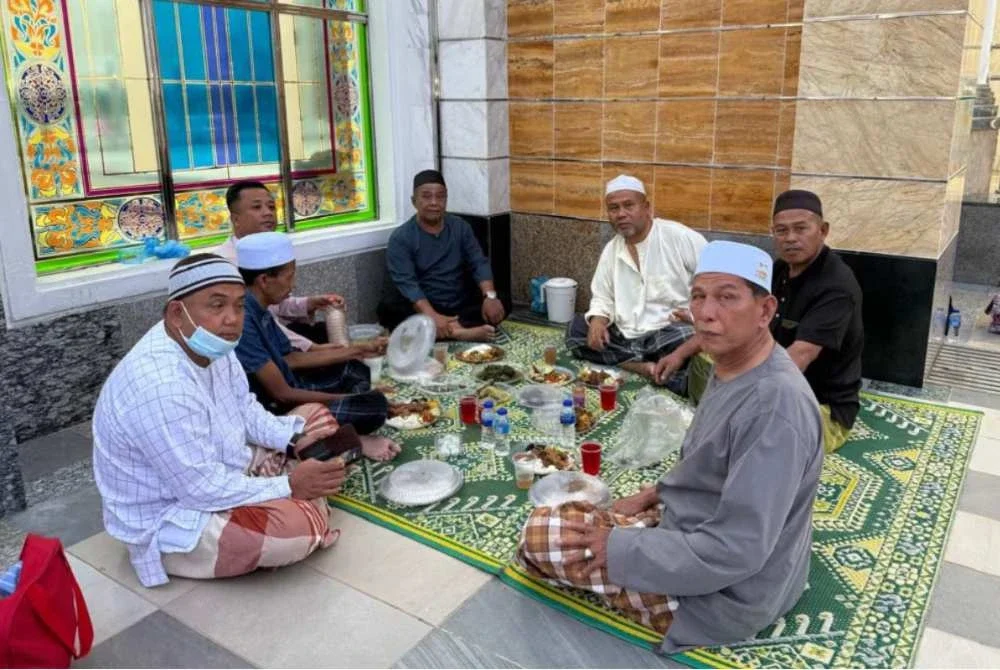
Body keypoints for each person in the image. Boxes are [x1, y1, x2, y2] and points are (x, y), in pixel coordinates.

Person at [518, 241, 824, 654]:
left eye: (727, 297)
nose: (706, 313)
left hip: (727, 593)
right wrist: (652, 495)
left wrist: (619, 547)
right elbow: (707, 464)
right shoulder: (735, 364)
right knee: (571, 511)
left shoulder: (775, 408)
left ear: (766, 311)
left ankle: (641, 586)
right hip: (694, 529)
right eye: (699, 296)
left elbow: (738, 548)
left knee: (538, 536)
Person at [92, 253, 399, 588]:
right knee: (298, 530)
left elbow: (247, 409)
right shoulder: (161, 385)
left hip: (229, 463)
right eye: (217, 305)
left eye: (239, 306)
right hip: (176, 514)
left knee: (315, 418)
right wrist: (289, 486)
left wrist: (293, 441)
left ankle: (291, 484)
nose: (231, 319)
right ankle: (295, 496)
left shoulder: (212, 345)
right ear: (177, 313)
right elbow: (200, 489)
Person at [655, 190, 862, 453]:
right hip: (768, 369)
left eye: (801, 229)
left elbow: (799, 357)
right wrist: (678, 355)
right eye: (781, 231)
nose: (791, 239)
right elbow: (732, 322)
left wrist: (742, 398)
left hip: (815, 402)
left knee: (754, 440)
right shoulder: (777, 271)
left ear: (822, 230)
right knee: (704, 355)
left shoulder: (836, 286)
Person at [234, 231, 393, 436]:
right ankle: (324, 432)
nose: (293, 286)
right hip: (276, 411)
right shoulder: (244, 320)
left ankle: (345, 416)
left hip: (293, 382)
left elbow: (291, 358)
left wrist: (359, 350)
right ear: (264, 280)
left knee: (354, 369)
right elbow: (283, 395)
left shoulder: (260, 308)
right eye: (290, 277)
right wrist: (346, 399)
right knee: (373, 406)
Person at [565, 175, 706, 383]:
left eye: (628, 205)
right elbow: (602, 296)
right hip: (626, 333)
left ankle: (632, 363)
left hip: (667, 333)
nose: (621, 214)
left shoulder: (678, 237)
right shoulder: (611, 250)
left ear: (647, 207)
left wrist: (695, 315)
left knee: (692, 340)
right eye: (614, 208)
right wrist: (598, 320)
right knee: (575, 330)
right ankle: (642, 367)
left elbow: (715, 282)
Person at [216, 180, 346, 351]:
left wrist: (310, 303)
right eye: (257, 208)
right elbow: (264, 322)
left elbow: (274, 305)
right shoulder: (224, 264)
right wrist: (312, 348)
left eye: (271, 207)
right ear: (235, 219)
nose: (268, 213)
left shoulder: (270, 248)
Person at [378, 169, 505, 340]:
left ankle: (442, 331)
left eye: (440, 196)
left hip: (457, 302)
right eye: (426, 196)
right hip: (424, 304)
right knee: (389, 309)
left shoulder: (460, 227)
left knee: (501, 300)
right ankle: (459, 332)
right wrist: (432, 315)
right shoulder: (401, 237)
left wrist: (490, 297)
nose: (434, 202)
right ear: (414, 201)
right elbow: (408, 284)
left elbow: (478, 262)